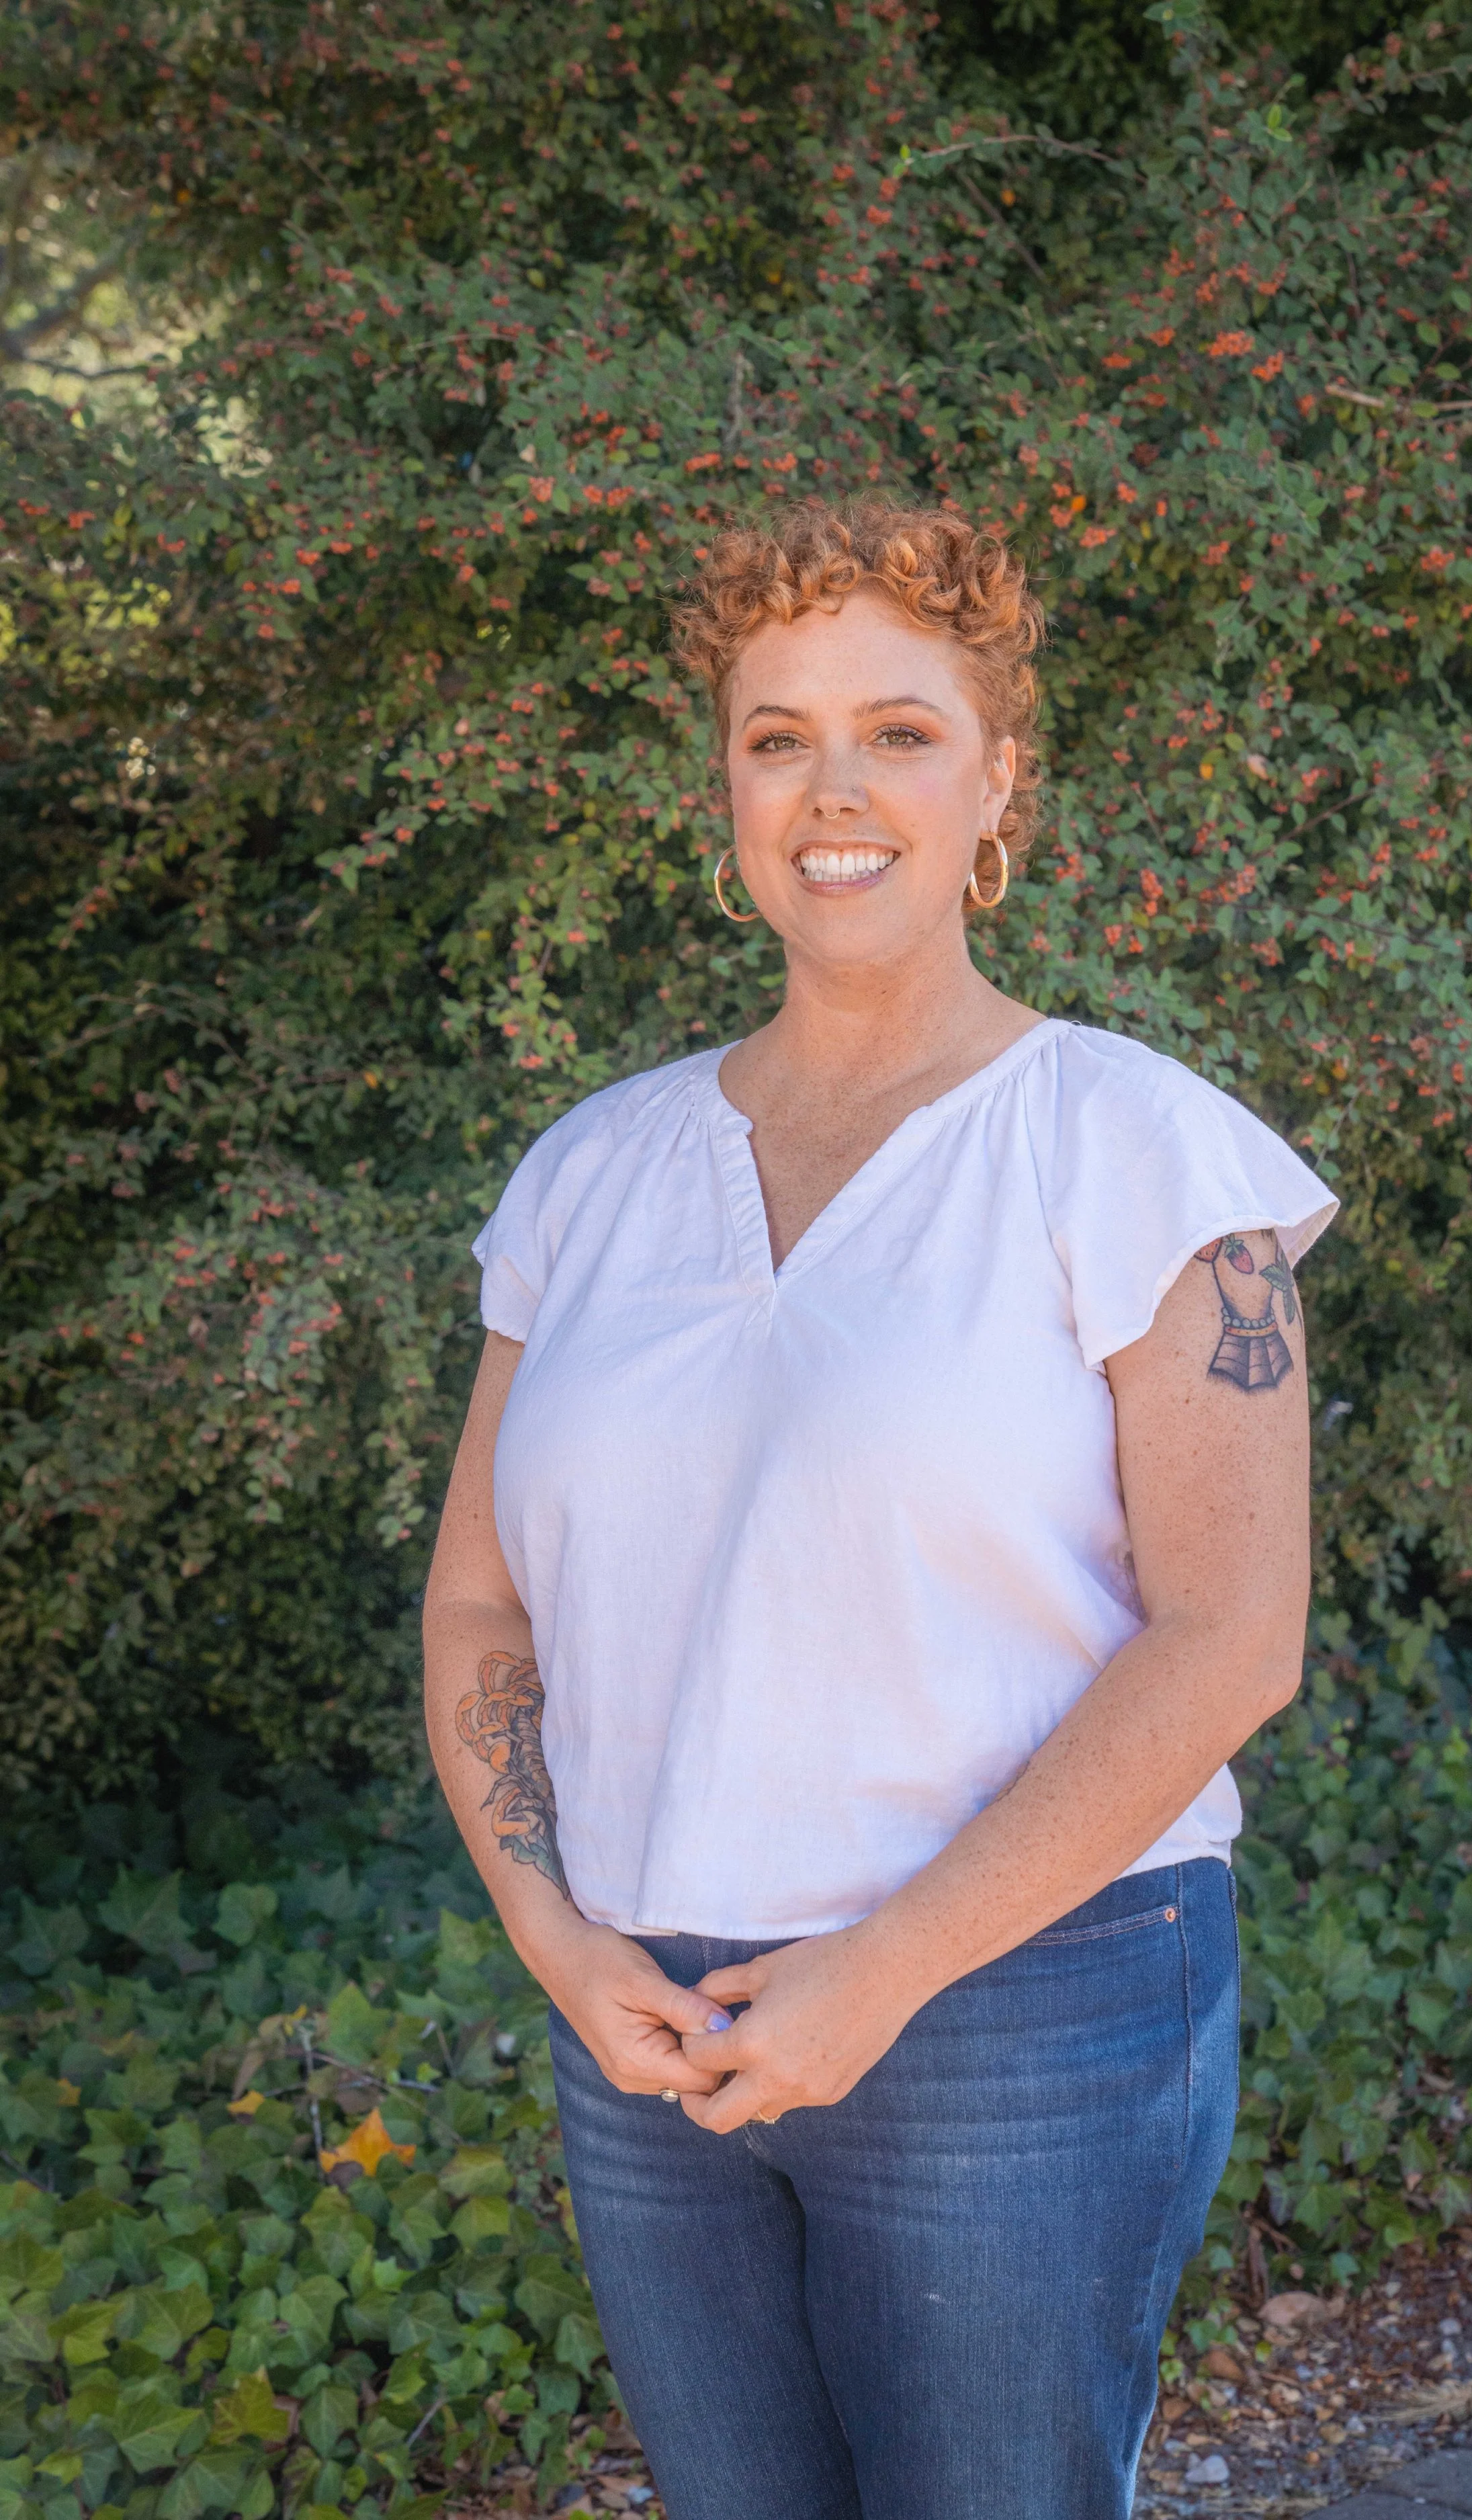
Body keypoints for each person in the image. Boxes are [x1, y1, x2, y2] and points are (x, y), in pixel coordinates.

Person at [423, 499, 1336, 2520]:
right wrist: (558, 1936)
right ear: (726, 789)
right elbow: (482, 1610)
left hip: (1026, 2013)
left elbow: (1228, 1636)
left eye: (898, 731)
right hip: (648, 2023)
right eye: (777, 735)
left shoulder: (1137, 1148)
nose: (832, 789)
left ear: (997, 775)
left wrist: (887, 1962)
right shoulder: (588, 1173)